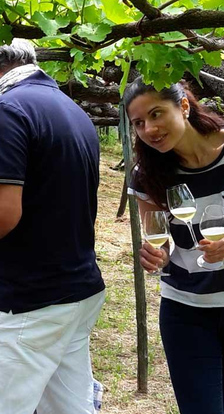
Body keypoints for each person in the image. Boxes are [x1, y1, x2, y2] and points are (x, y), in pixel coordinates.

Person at [0, 36, 105, 414]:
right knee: (69, 407)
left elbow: (1, 214)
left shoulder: (7, 109)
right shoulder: (71, 109)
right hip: (77, 289)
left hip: (30, 301)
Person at [126, 78, 224, 414]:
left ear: (183, 106)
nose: (149, 129)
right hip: (187, 313)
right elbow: (161, 239)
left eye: (156, 114)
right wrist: (159, 255)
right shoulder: (147, 174)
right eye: (139, 123)